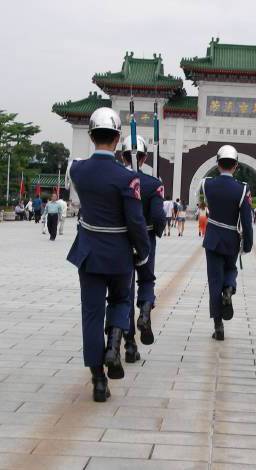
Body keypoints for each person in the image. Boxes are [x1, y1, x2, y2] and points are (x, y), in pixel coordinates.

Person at [66, 107, 150, 402]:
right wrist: (144, 252)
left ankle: (98, 379)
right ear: (117, 138)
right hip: (118, 253)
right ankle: (114, 344)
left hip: (89, 250)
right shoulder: (127, 178)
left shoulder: (77, 169)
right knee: (121, 300)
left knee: (91, 313)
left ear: (90, 136)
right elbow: (136, 221)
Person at [120, 134, 166, 363]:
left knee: (125, 291)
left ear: (122, 156)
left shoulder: (118, 180)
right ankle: (145, 311)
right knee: (146, 280)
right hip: (146, 238)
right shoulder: (154, 184)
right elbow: (159, 215)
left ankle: (129, 345)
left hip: (122, 241)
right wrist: (156, 231)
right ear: (145, 157)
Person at [200, 145, 253, 340]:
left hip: (213, 237)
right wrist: (247, 245)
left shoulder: (207, 184)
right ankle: (229, 288)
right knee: (230, 270)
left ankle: (218, 326)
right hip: (231, 238)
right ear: (236, 166)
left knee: (214, 281)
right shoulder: (242, 189)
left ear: (217, 163)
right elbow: (246, 222)